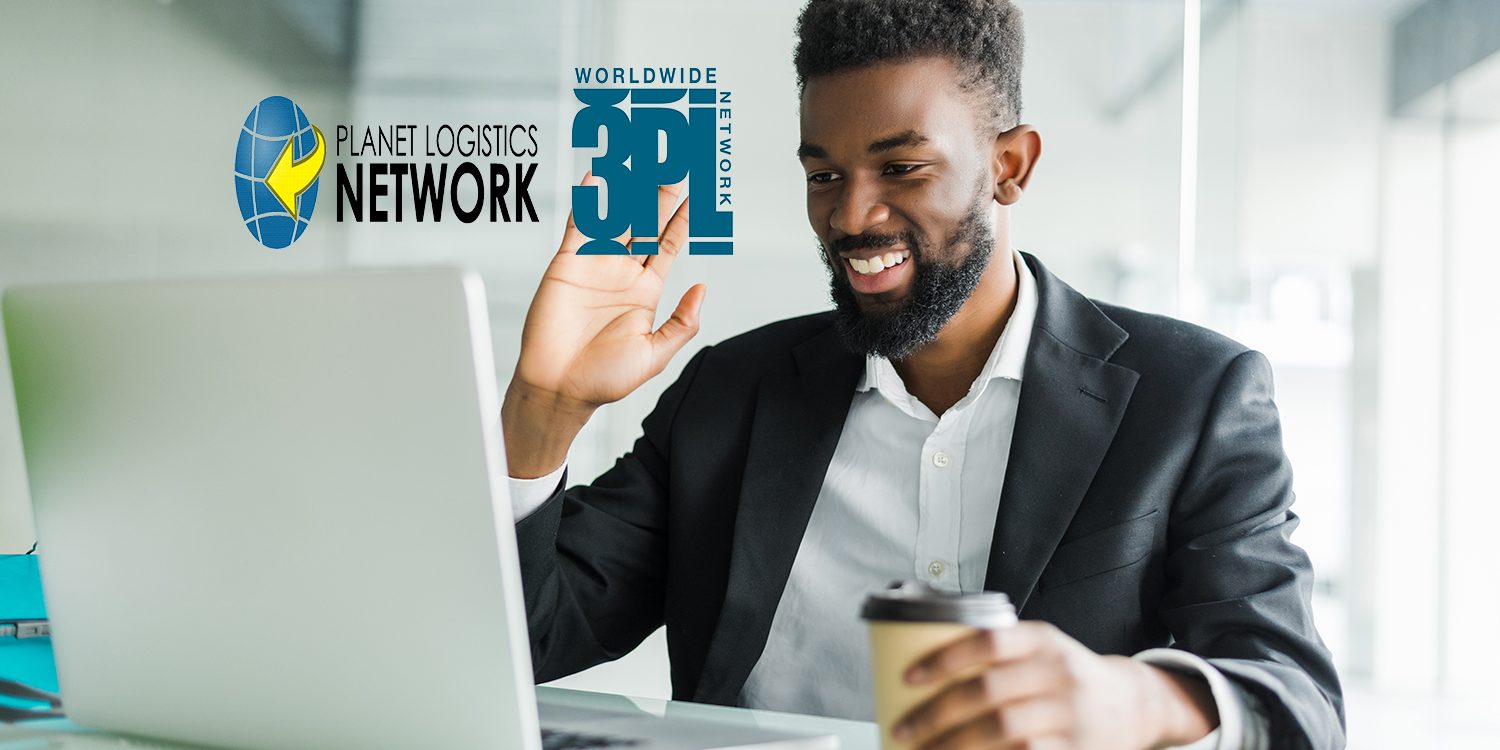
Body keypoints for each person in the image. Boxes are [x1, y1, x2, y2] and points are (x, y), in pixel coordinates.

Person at [501, 1, 1344, 748]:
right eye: (823, 174)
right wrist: (544, 409)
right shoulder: (733, 391)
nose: (850, 215)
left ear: (1009, 166)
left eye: (902, 167)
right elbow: (532, 638)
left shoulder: (1193, 395)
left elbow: (1296, 702)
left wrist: (1134, 701)